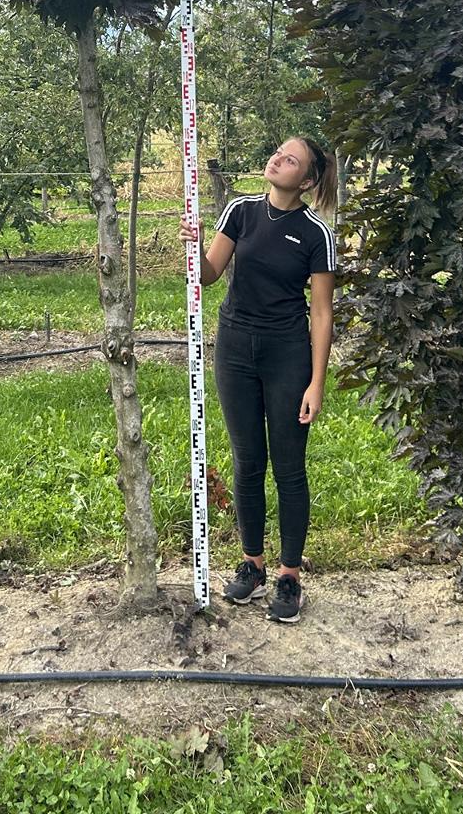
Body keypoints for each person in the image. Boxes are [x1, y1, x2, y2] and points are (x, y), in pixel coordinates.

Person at [181, 137, 337, 624]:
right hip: (234, 347)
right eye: (278, 152)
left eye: (291, 159)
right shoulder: (240, 212)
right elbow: (208, 275)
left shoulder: (316, 233)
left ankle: (290, 576)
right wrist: (196, 242)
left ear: (307, 181)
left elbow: (322, 313)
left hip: (288, 353)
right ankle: (253, 565)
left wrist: (316, 382)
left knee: (289, 466)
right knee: (247, 461)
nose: (278, 159)